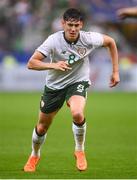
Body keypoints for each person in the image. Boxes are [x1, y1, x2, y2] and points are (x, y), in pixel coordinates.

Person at [23, 8, 120, 172]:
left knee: (77, 113)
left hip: (77, 82)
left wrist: (115, 72)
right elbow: (31, 63)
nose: (73, 29)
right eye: (70, 25)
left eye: (76, 25)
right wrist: (53, 64)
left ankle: (80, 150)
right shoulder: (53, 40)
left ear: (81, 24)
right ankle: (34, 154)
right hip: (54, 86)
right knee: (41, 127)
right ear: (63, 24)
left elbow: (111, 42)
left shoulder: (89, 38)